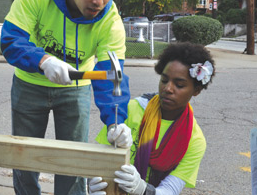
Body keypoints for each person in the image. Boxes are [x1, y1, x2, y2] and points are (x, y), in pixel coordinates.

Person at [0, 0, 132, 195]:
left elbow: (112, 76)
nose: (99, 1)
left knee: (73, 165)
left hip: (76, 90)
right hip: (29, 84)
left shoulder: (110, 19)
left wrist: (116, 122)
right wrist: (42, 61)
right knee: (24, 160)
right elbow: (10, 40)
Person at [90, 42, 215, 195]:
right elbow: (98, 161)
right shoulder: (129, 110)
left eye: (179, 85)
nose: (168, 88)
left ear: (196, 90)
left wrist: (142, 189)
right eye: (164, 80)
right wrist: (92, 183)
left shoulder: (194, 140)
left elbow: (170, 190)